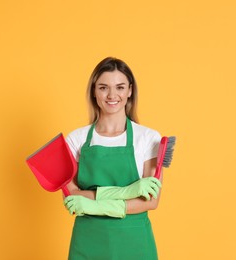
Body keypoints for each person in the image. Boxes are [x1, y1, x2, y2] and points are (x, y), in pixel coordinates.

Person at [64, 57, 163, 259]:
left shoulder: (149, 138)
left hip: (134, 242)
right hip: (88, 242)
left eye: (119, 87)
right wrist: (129, 192)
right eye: (103, 87)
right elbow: (70, 195)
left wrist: (94, 203)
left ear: (130, 91)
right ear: (94, 91)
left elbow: (150, 201)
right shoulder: (76, 139)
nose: (112, 95)